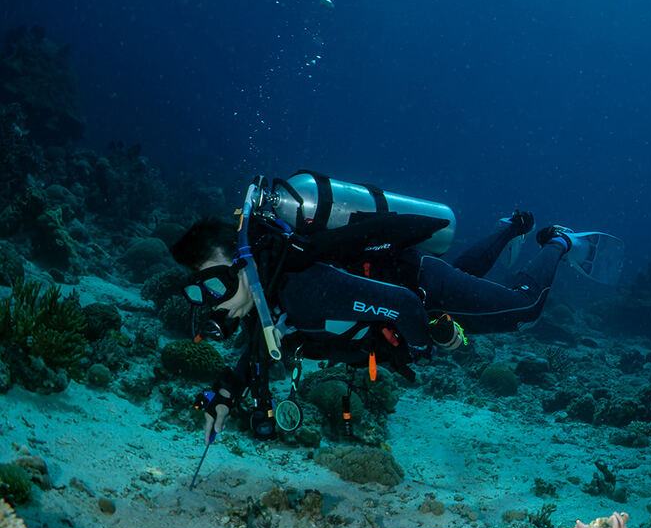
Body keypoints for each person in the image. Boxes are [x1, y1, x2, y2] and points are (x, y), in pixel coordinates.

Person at [169, 184, 586, 440]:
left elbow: (404, 305)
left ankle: (558, 241)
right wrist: (224, 394)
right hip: (408, 283)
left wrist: (424, 347)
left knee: (522, 309)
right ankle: (511, 225)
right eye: (199, 291)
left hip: (419, 285)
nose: (212, 301)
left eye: (215, 284)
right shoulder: (270, 287)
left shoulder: (303, 289)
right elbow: (260, 347)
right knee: (467, 276)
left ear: (243, 263)